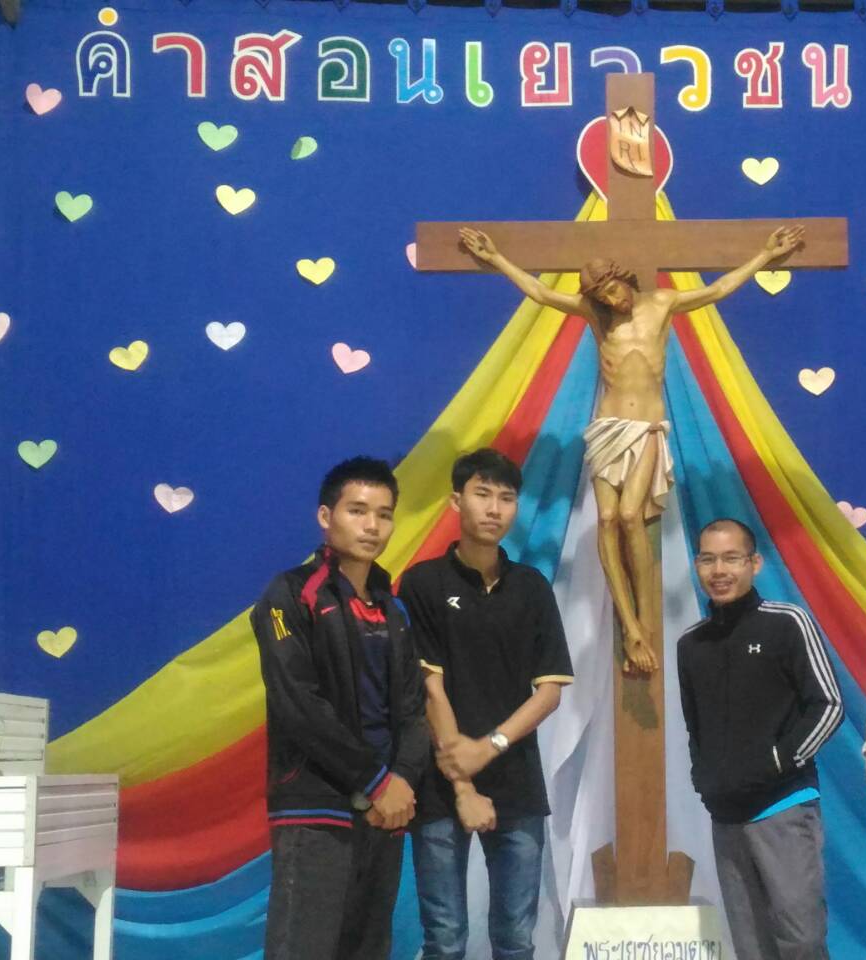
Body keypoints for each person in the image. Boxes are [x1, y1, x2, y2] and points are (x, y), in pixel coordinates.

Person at [457, 225, 803, 676]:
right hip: (608, 428)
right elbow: (541, 293)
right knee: (606, 519)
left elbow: (717, 289)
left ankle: (644, 617)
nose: (611, 300)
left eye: (613, 289)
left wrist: (765, 255)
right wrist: (496, 259)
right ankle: (630, 624)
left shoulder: (662, 303)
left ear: (624, 278)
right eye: (601, 296)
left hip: (646, 430)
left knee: (628, 516)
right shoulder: (597, 316)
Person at [249, 456, 429, 960]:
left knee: (368, 949)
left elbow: (413, 710)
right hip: (316, 804)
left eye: (384, 514)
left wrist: (402, 781)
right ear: (326, 517)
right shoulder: (289, 595)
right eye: (358, 510)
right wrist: (375, 782)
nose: (372, 526)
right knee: (303, 948)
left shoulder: (393, 607)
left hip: (386, 810)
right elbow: (298, 705)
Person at [399, 448, 573, 960]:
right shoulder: (423, 583)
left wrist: (490, 746)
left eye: (506, 498)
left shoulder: (532, 587)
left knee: (516, 939)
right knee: (445, 938)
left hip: (518, 784)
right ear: (456, 502)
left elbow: (549, 692)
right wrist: (463, 783)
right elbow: (429, 687)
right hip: (440, 784)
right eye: (482, 494)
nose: (494, 509)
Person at [677, 518, 843, 960]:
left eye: (732, 558)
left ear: (754, 563)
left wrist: (776, 762)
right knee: (751, 947)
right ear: (697, 565)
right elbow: (695, 726)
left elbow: (828, 705)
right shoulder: (690, 644)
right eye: (708, 559)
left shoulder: (787, 622)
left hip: (782, 807)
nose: (719, 570)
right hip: (725, 816)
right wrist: (704, 777)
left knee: (801, 940)